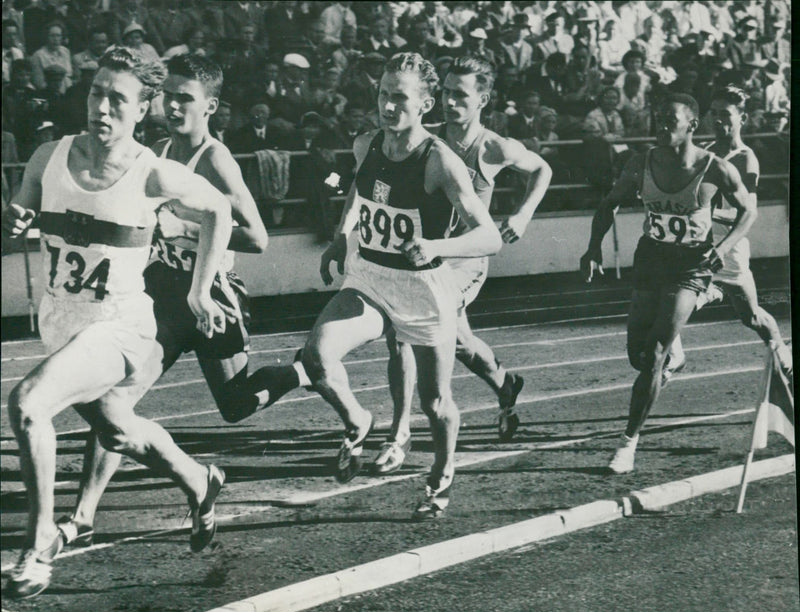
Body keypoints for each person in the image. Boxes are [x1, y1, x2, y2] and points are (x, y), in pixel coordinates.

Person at [2, 47, 233, 599]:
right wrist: (16, 217)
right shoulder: (47, 156)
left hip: (120, 325)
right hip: (62, 321)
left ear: (143, 108)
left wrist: (201, 291)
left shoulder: (154, 173)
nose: (101, 107)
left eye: (117, 99)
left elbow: (219, 211)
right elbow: (19, 214)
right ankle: (200, 481)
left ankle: (39, 545)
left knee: (29, 404)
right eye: (95, 92)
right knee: (118, 432)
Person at [52, 54, 295, 553]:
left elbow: (257, 236)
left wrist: (183, 226)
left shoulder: (216, 158)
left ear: (211, 106)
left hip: (210, 296)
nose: (173, 105)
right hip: (164, 291)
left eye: (186, 98)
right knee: (114, 395)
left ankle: (300, 373)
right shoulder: (156, 150)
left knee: (233, 405)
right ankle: (83, 515)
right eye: (170, 96)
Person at [307, 51, 502, 518]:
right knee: (317, 355)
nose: (388, 107)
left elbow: (490, 235)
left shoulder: (440, 161)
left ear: (425, 106)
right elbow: (356, 188)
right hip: (370, 276)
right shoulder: (367, 143)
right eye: (382, 95)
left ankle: (442, 473)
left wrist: (438, 246)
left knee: (435, 404)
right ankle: (358, 420)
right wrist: (340, 237)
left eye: (399, 99)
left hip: (421, 286)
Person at [373, 55, 552, 476]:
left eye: (461, 95)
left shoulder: (493, 147)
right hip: (424, 256)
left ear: (482, 100)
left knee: (409, 329)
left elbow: (542, 169)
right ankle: (504, 385)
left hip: (465, 261)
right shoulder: (425, 138)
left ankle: (401, 431)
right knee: (455, 343)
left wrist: (523, 214)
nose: (450, 101)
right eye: (446, 92)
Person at [579, 92, 755, 474]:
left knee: (655, 353)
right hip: (652, 258)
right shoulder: (641, 163)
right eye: (656, 119)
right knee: (638, 355)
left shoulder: (717, 169)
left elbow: (748, 210)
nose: (659, 127)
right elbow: (609, 202)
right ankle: (673, 356)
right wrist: (593, 248)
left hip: (691, 265)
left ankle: (628, 443)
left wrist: (723, 247)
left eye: (668, 120)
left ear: (691, 125)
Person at [666, 86, 792, 383]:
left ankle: (785, 360)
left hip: (729, 247)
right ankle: (674, 354)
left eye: (726, 114)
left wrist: (706, 214)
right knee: (670, 296)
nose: (719, 120)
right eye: (715, 114)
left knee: (751, 316)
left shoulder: (745, 159)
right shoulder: (704, 150)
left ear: (742, 118)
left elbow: (747, 211)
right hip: (699, 244)